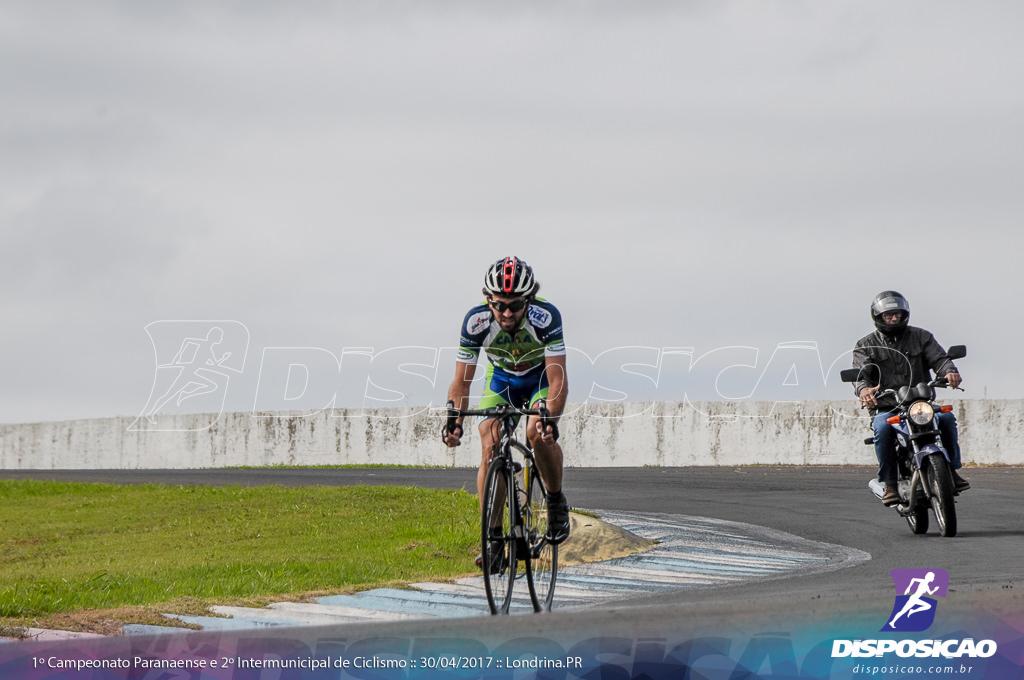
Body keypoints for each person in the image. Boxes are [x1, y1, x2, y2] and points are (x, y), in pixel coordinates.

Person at [442, 256, 570, 570]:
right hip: (501, 381)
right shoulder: (476, 321)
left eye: (515, 305)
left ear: (528, 299)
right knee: (489, 442)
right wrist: (454, 420)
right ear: (488, 300)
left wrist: (549, 420)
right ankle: (494, 539)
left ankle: (555, 501)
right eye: (499, 305)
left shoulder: (546, 317)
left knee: (535, 433)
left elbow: (557, 379)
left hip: (539, 380)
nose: (507, 313)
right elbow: (461, 381)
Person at [852, 291, 970, 506]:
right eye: (889, 315)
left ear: (904, 313)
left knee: (945, 419)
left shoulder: (921, 336)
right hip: (887, 407)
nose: (894, 318)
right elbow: (861, 375)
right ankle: (889, 483)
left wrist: (949, 371)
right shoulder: (866, 345)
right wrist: (864, 390)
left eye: (897, 314)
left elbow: (940, 359)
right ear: (878, 317)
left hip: (920, 404)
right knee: (883, 428)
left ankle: (951, 471)